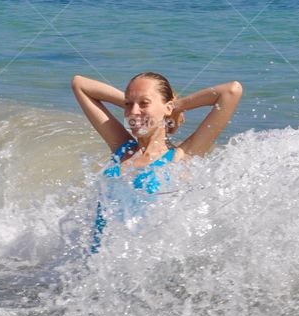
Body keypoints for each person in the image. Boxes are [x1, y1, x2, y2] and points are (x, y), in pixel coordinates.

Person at [71, 72, 243, 252]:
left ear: (167, 107)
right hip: (96, 270)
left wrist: (176, 107)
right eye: (127, 105)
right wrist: (137, 104)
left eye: (144, 103)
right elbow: (80, 84)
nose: (132, 112)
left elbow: (231, 91)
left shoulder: (181, 157)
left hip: (144, 272)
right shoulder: (123, 149)